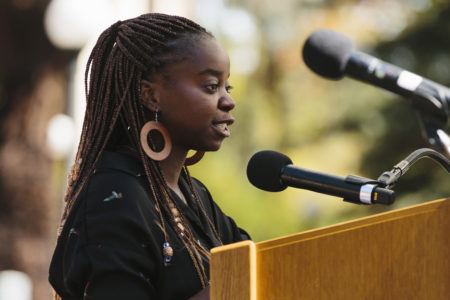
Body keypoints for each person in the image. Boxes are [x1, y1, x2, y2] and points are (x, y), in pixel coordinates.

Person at [49, 13, 250, 300]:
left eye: (226, 87)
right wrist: (232, 291)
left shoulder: (194, 195)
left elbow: (257, 264)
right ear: (151, 96)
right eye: (210, 86)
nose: (228, 100)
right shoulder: (113, 196)